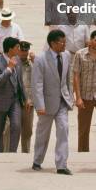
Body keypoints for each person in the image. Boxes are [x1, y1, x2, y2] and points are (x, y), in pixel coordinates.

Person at [31, 29, 73, 175]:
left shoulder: (67, 55)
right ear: (53, 43)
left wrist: (70, 99)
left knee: (63, 130)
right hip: (47, 103)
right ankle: (37, 160)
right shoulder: (41, 59)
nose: (64, 45)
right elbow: (37, 84)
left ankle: (61, 165)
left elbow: (68, 79)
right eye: (62, 42)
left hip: (62, 101)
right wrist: (39, 105)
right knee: (43, 134)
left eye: (65, 42)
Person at [0, 37, 26, 153]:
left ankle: (12, 152)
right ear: (10, 49)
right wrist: (9, 69)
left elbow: (20, 81)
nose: (19, 49)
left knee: (16, 126)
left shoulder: (18, 60)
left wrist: (24, 98)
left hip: (14, 100)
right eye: (17, 47)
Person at [73, 30, 96, 152]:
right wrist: (78, 97)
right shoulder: (80, 54)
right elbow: (76, 76)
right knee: (83, 128)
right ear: (90, 41)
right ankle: (83, 153)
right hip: (85, 96)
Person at [3, 40, 35, 153]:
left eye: (26, 51)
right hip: (14, 102)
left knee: (27, 131)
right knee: (10, 130)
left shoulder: (32, 64)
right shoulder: (12, 63)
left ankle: (26, 153)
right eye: (22, 51)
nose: (24, 53)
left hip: (29, 103)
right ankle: (8, 153)